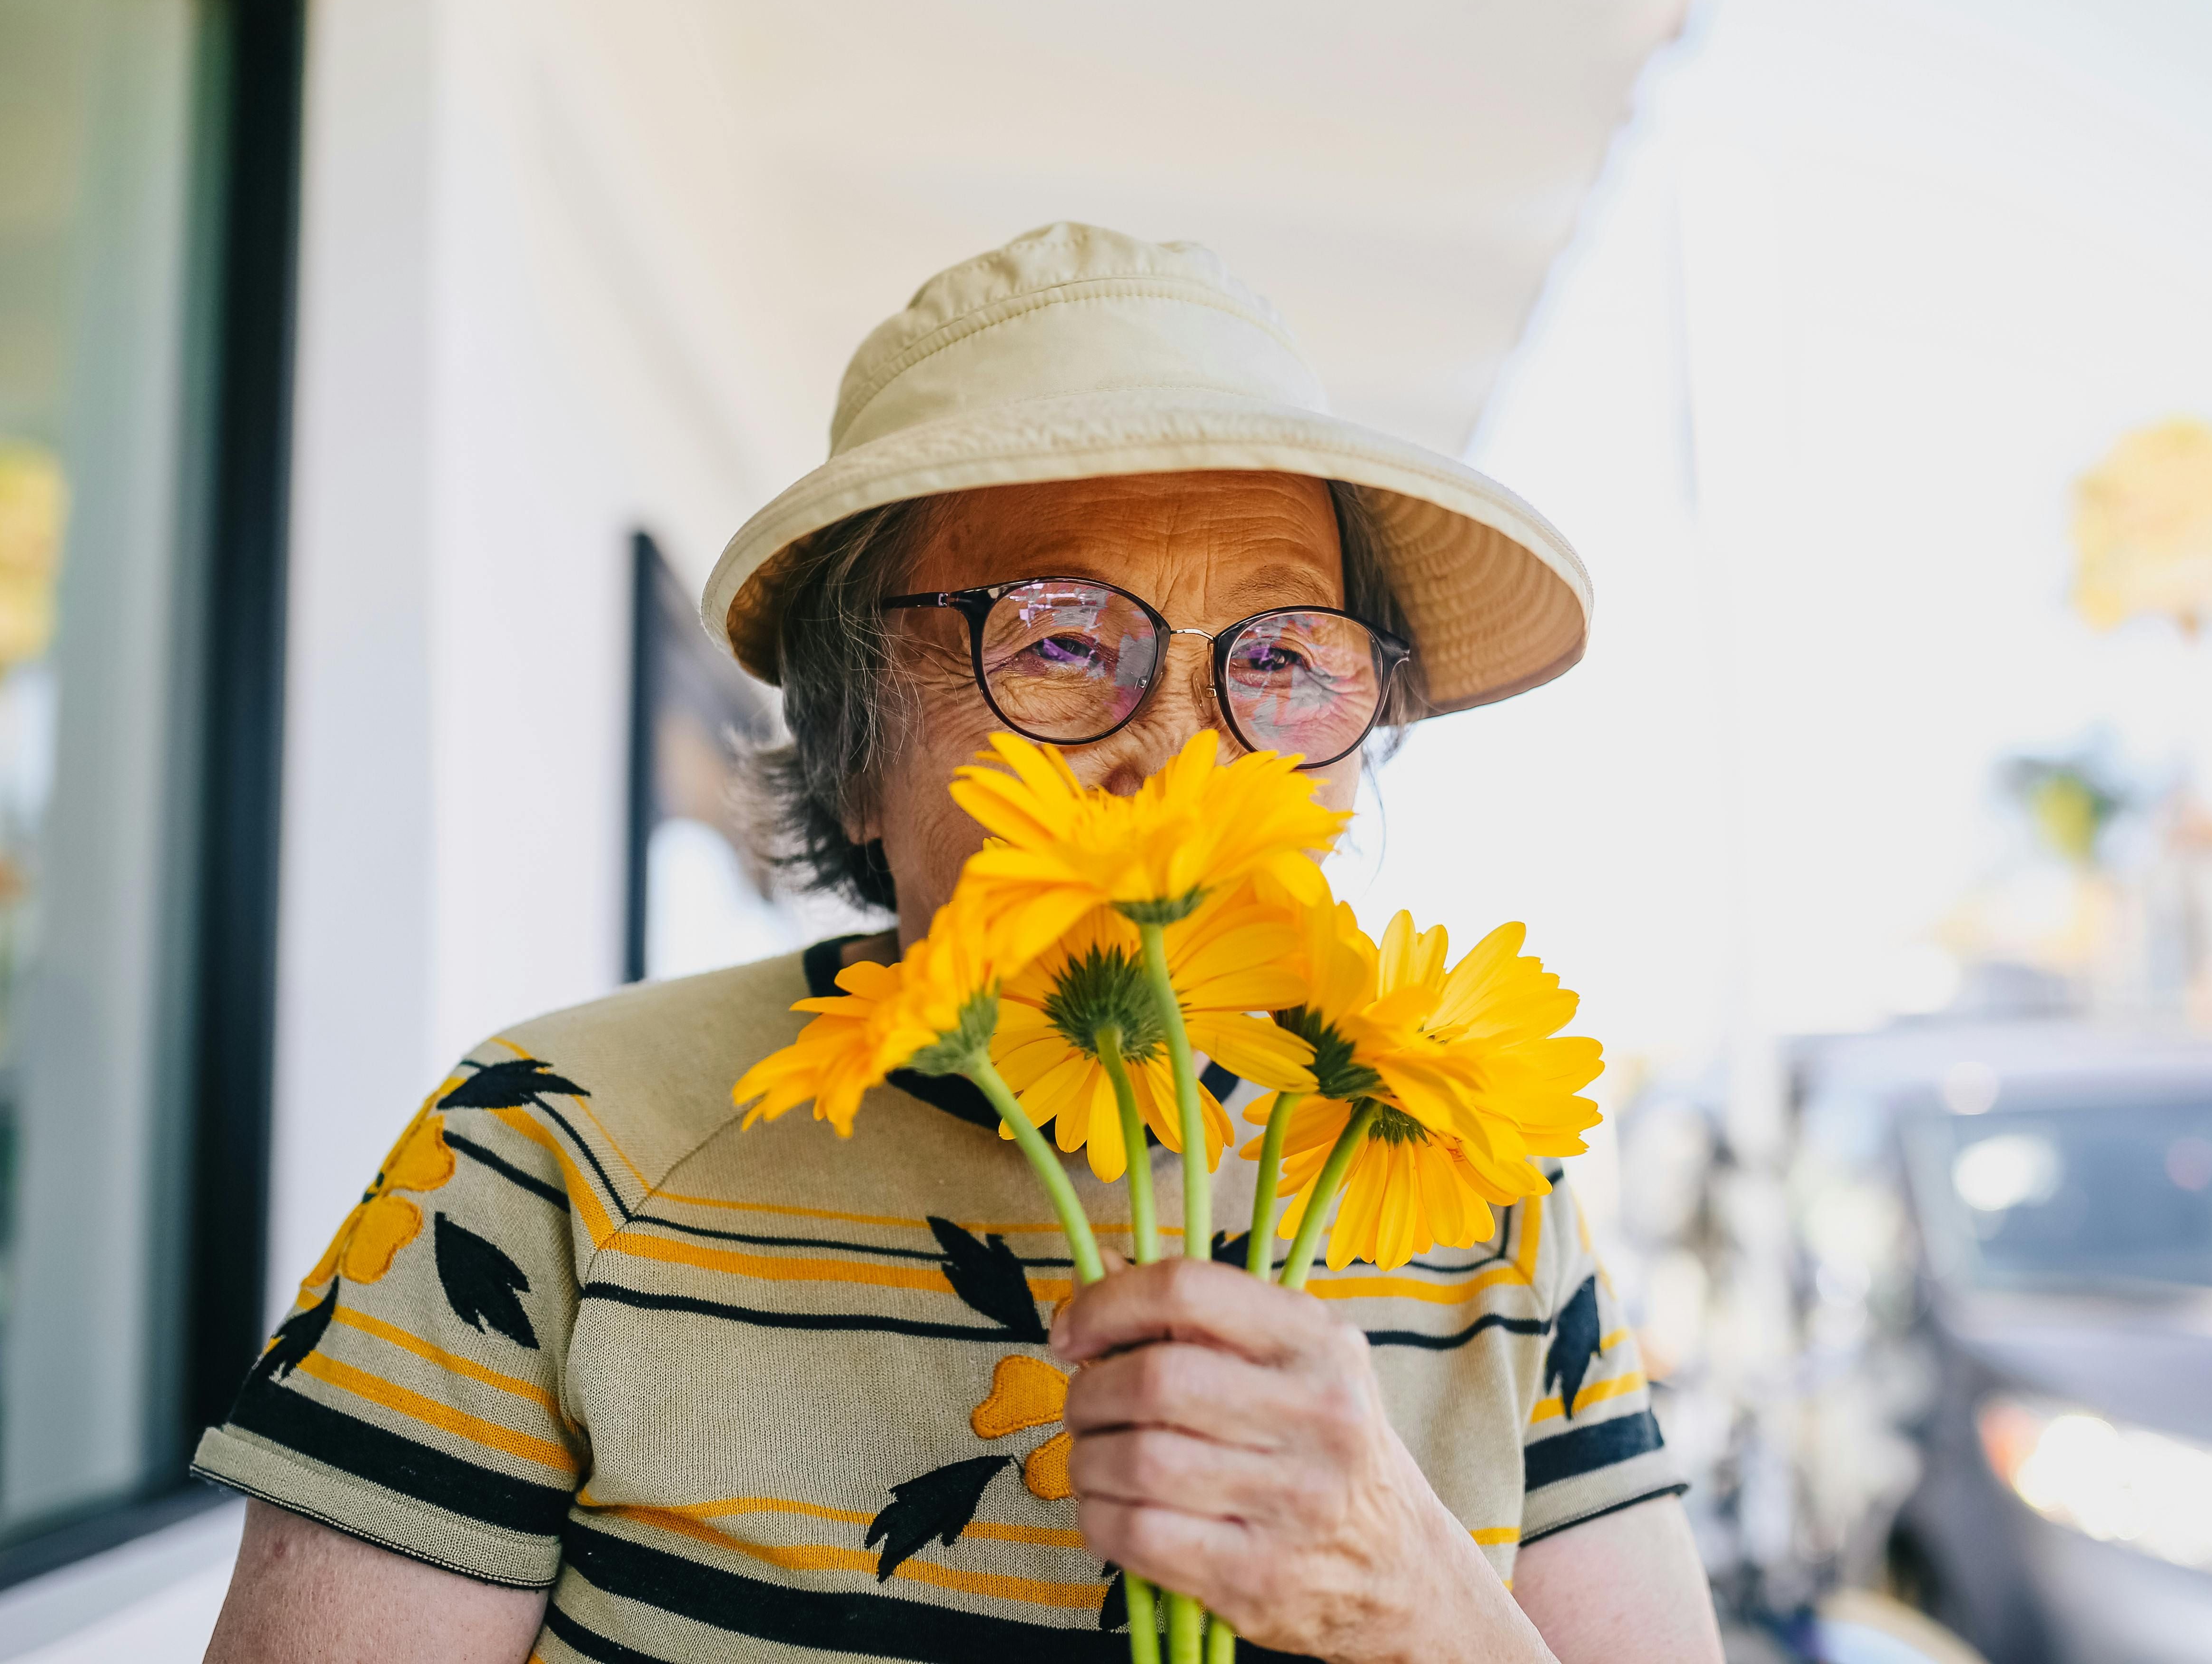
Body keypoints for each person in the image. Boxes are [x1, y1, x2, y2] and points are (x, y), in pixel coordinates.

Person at [200, 224, 1723, 1664]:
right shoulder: (555, 1145)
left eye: (1281, 657)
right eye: (1061, 640)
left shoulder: (1487, 1193)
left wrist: (1420, 1608)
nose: (1179, 765)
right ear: (857, 751)